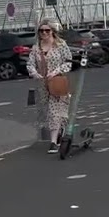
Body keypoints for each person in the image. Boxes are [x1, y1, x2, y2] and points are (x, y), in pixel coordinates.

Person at [28, 19, 73, 153]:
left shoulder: (60, 45)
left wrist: (56, 71)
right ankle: (59, 131)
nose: (44, 33)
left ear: (52, 31)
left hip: (57, 82)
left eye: (47, 30)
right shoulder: (36, 48)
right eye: (41, 31)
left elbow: (68, 62)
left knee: (55, 111)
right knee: (47, 112)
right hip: (42, 84)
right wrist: (34, 72)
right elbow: (30, 63)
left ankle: (53, 142)